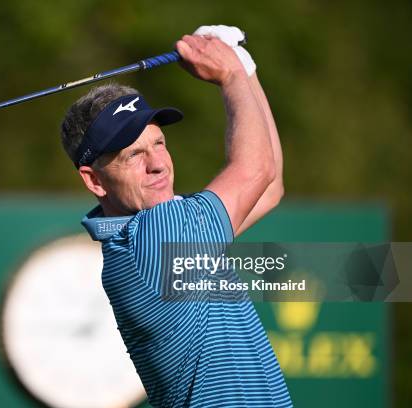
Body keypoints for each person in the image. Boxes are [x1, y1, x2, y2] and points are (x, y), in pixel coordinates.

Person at [60, 25, 291, 407]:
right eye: (132, 155)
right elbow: (256, 170)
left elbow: (269, 187)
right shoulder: (155, 239)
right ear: (95, 180)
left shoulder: (152, 238)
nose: (157, 165)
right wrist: (230, 75)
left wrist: (245, 73)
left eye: (159, 144)